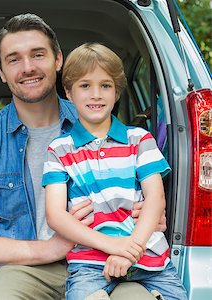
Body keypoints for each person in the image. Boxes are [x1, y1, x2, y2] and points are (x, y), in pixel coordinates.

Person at [0, 13, 166, 299]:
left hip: (110, 260)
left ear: (58, 60)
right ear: (2, 72)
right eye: (14, 59)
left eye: (38, 54)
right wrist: (52, 247)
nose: (28, 67)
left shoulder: (98, 117)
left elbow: (149, 198)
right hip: (30, 270)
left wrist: (148, 219)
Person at [43, 42, 187, 300]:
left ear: (117, 92)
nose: (96, 94)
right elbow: (55, 216)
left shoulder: (140, 140)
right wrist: (114, 247)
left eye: (106, 85)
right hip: (90, 263)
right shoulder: (59, 150)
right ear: (68, 92)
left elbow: (155, 200)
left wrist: (131, 249)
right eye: (85, 86)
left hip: (149, 255)